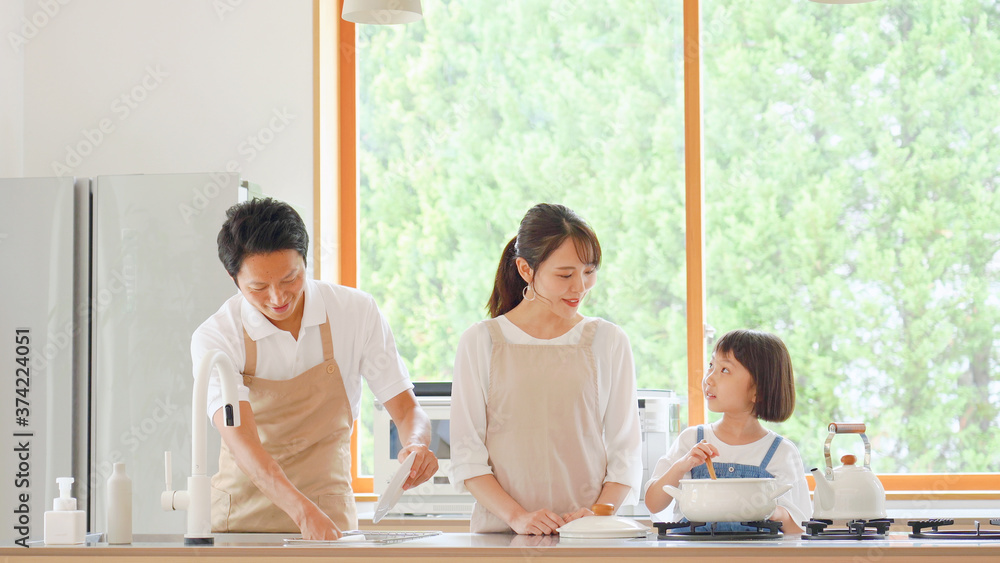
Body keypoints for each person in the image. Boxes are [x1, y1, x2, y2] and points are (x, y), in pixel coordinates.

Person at [191, 197, 438, 539]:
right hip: (243, 522)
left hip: (329, 516)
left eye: (290, 278)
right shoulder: (218, 336)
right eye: (259, 287)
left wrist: (416, 445)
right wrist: (302, 512)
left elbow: (408, 409)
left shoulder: (355, 312)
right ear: (233, 278)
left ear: (306, 261)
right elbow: (242, 443)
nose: (278, 298)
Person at [449, 203, 642, 535]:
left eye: (589, 271)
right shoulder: (481, 342)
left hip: (587, 539)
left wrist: (596, 517)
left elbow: (625, 453)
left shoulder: (608, 341)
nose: (580, 287)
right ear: (526, 269)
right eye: (564, 275)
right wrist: (519, 518)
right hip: (502, 539)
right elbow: (467, 455)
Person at [643, 329, 810, 533]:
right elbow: (653, 503)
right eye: (711, 366)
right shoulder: (691, 440)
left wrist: (775, 512)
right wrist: (681, 466)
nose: (708, 379)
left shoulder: (781, 452)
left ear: (758, 390)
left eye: (724, 370)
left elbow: (798, 533)